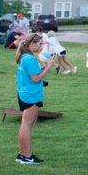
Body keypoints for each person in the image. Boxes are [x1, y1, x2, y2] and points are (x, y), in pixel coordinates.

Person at [16, 33, 51, 163]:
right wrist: (48, 66)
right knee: (27, 125)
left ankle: (22, 154)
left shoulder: (24, 57)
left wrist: (43, 68)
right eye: (39, 44)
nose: (40, 46)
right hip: (31, 95)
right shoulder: (30, 59)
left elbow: (33, 74)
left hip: (24, 93)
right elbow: (36, 78)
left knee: (25, 124)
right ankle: (27, 156)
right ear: (32, 44)